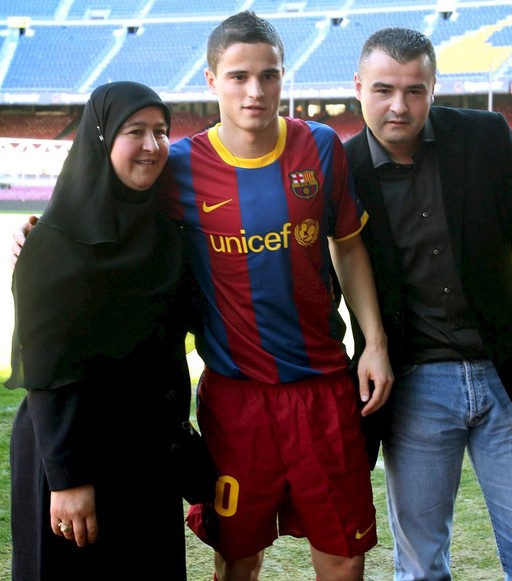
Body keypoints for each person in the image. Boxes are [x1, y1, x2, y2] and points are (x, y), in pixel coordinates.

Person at [343, 26, 512, 580]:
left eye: (414, 90)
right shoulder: (342, 167)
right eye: (383, 90)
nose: (398, 106)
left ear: (434, 88)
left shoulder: (484, 137)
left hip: (506, 374)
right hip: (414, 386)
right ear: (358, 86)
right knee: (422, 569)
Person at [161, 11, 393, 581]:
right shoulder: (179, 167)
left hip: (323, 390)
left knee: (342, 554)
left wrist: (375, 343)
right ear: (211, 80)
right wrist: (38, 231)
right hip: (235, 398)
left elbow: (350, 245)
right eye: (239, 76)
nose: (256, 90)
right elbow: (100, 202)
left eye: (270, 75)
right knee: (238, 557)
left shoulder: (320, 148)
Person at [4, 81, 214, 581]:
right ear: (100, 139)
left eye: (161, 131)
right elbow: (49, 369)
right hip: (75, 452)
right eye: (134, 131)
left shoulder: (166, 234)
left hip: (144, 454)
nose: (152, 145)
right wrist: (68, 478)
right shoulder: (54, 243)